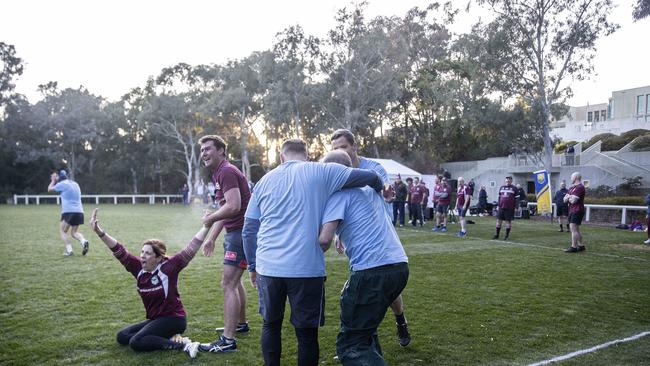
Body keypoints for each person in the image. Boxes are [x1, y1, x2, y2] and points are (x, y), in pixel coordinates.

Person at [241, 138, 383, 366]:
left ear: (281, 157)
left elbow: (249, 230)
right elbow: (371, 178)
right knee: (306, 334)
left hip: (268, 267)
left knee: (270, 325)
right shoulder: (322, 172)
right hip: (306, 269)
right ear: (307, 156)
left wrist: (252, 267)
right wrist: (380, 190)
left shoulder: (263, 181)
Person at [319, 150, 409, 365]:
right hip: (399, 267)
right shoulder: (369, 191)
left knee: (351, 346)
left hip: (372, 270)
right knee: (365, 329)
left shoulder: (338, 195)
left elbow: (324, 240)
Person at [88, 208, 208, 358]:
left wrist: (206, 226)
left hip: (174, 319)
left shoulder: (168, 268)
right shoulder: (138, 268)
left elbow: (190, 249)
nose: (142, 256)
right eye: (142, 252)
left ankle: (184, 345)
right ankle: (169, 337)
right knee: (122, 336)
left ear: (158, 258)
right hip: (156, 319)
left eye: (148, 253)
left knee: (136, 342)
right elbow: (118, 250)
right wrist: (99, 232)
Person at [197, 135, 252, 353]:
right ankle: (240, 324)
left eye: (208, 149)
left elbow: (234, 206)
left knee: (228, 284)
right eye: (201, 150)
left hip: (239, 234)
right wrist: (211, 237)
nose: (204, 153)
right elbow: (226, 209)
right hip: (235, 233)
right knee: (236, 282)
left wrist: (209, 219)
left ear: (221, 150)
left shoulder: (227, 171)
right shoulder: (220, 172)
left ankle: (228, 340)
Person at [47, 169, 89, 256]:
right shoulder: (75, 184)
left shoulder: (62, 184)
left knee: (63, 231)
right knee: (74, 233)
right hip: (79, 211)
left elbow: (49, 189)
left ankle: (69, 251)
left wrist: (53, 180)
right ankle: (84, 241)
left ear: (60, 178)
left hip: (68, 211)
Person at [564, 172, 587, 253]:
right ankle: (581, 245)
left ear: (575, 177)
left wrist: (569, 197)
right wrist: (570, 197)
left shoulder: (580, 187)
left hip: (577, 210)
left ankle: (573, 247)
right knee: (576, 229)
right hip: (572, 210)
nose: (571, 178)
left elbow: (573, 201)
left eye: (571, 177)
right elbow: (564, 199)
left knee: (573, 228)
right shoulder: (571, 188)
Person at [493, 176, 517, 241]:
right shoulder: (501, 187)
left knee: (508, 222)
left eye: (509, 181)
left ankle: (506, 236)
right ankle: (497, 235)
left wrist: (516, 207)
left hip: (509, 208)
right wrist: (498, 205)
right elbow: (499, 197)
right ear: (505, 181)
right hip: (501, 207)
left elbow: (517, 199)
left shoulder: (514, 188)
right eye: (506, 181)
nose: (507, 182)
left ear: (511, 181)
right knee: (498, 221)